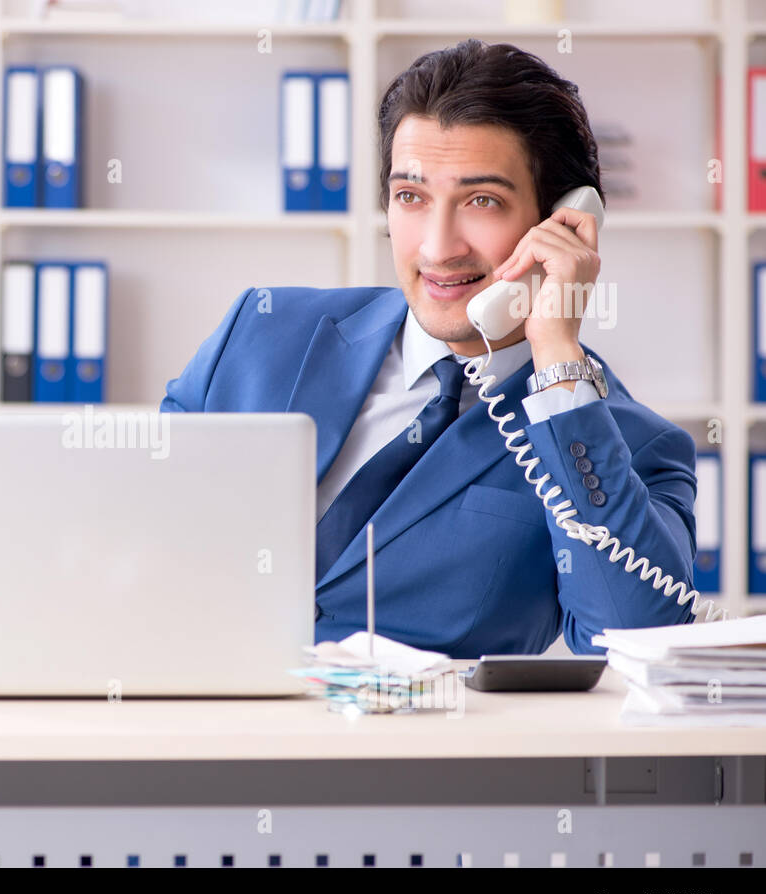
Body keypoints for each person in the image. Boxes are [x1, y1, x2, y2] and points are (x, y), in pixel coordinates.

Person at [161, 39, 697, 655]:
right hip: (201, 728)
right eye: (411, 197)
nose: (439, 248)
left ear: (564, 222)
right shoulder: (257, 333)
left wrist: (555, 353)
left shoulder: (625, 444)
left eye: (482, 201)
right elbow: (127, 530)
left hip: (417, 749)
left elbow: (630, 641)